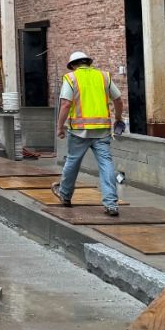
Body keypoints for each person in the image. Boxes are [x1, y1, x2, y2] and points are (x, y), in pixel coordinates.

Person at [55, 51, 126, 216]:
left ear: (73, 65)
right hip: (102, 131)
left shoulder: (71, 78)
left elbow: (66, 104)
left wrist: (59, 127)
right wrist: (118, 117)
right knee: (106, 164)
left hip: (79, 132)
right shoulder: (103, 77)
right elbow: (118, 100)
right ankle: (111, 204)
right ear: (88, 62)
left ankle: (65, 195)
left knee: (72, 162)